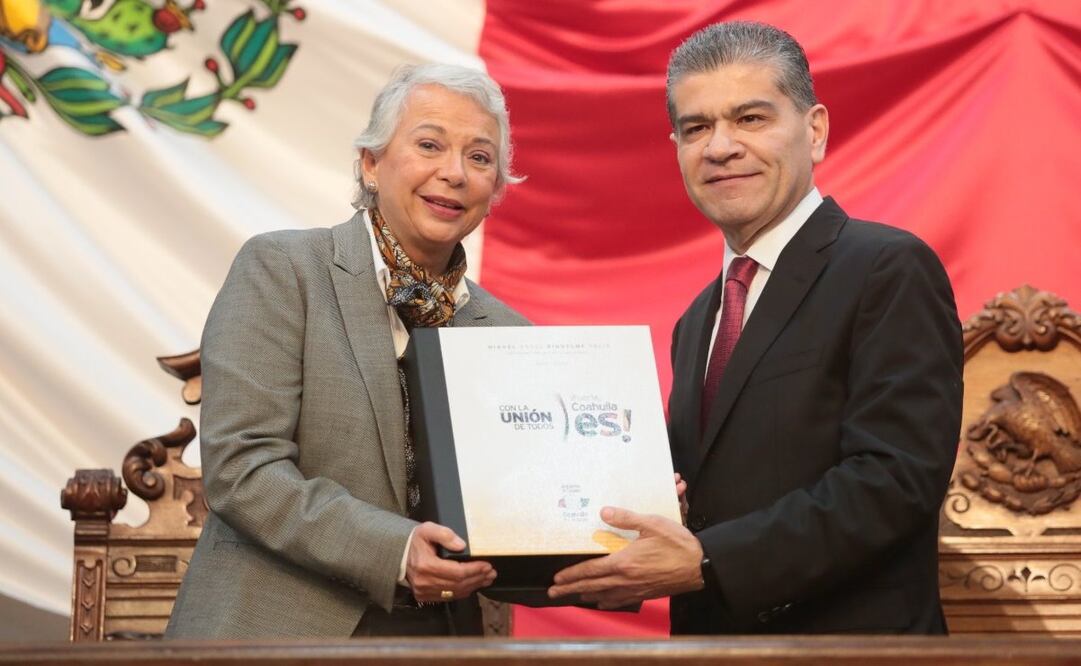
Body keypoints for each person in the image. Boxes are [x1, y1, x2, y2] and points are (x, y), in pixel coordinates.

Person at [548, 21, 963, 635]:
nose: (720, 147)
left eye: (750, 119)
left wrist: (710, 559)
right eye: (696, 128)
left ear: (814, 130)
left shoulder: (887, 267)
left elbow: (895, 478)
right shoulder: (698, 321)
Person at [166, 63, 528, 638]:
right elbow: (242, 469)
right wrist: (397, 549)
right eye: (429, 144)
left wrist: (614, 504)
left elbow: (521, 517)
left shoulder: (510, 336)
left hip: (444, 639)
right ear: (371, 163)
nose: (454, 173)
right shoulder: (284, 270)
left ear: (496, 189)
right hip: (276, 633)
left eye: (480, 158)